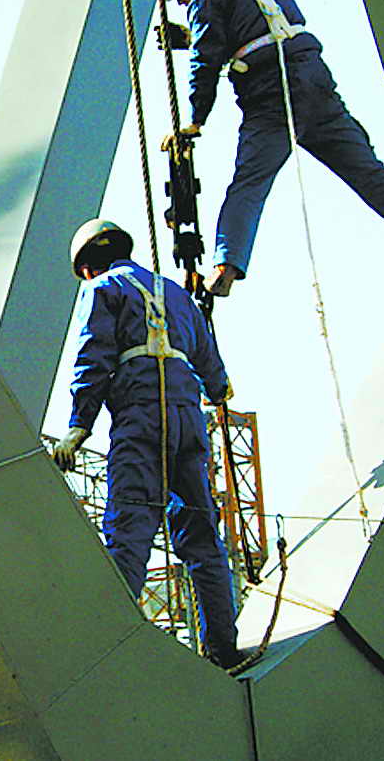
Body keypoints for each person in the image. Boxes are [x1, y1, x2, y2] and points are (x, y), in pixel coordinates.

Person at [153, 0, 384, 297]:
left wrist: (195, 121)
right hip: (315, 85)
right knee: (369, 173)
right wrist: (191, 35)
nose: (180, 2)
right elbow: (265, 28)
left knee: (250, 182)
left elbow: (205, 60)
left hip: (271, 94)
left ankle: (226, 264)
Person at [51, 218, 247, 670]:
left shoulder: (103, 289)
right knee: (202, 538)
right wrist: (217, 391)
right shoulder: (175, 293)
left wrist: (79, 428)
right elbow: (211, 365)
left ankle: (110, 650)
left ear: (86, 268)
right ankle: (223, 650)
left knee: (129, 533)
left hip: (141, 420)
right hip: (187, 418)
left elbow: (93, 357)